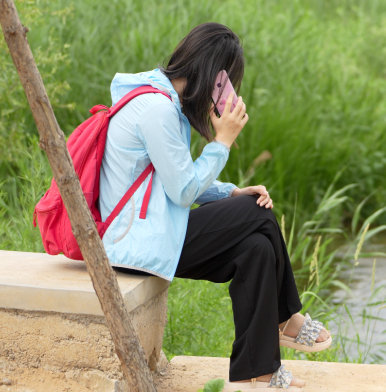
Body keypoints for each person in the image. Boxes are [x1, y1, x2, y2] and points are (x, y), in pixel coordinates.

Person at [99, 22, 330, 390]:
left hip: (151, 233)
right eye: (227, 82)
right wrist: (222, 142)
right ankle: (287, 318)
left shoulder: (164, 104)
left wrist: (231, 192)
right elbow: (183, 193)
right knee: (259, 212)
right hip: (137, 244)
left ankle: (260, 373)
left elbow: (174, 179)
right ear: (214, 76)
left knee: (255, 247)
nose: (226, 94)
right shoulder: (155, 110)